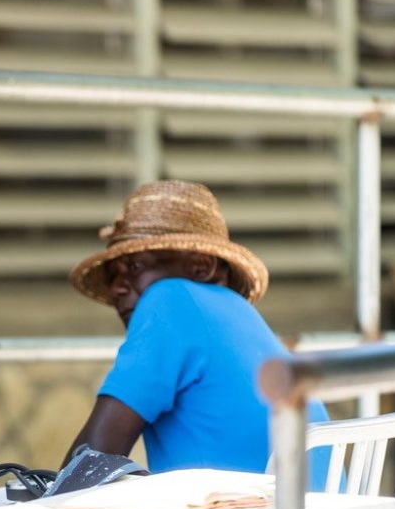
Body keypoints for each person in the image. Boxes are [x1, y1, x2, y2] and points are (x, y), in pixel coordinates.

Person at [63, 180, 330, 486]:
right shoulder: (239, 314)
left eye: (134, 266)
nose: (117, 288)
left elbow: (86, 465)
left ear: (202, 267)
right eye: (113, 276)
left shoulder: (170, 300)